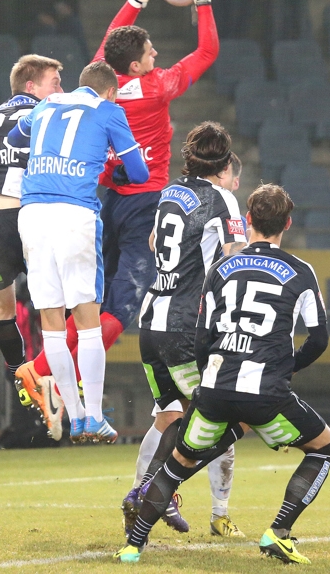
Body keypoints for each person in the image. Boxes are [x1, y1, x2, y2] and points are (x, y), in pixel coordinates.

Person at [17, 0, 219, 409]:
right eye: (150, 52)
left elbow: (109, 44)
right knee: (122, 305)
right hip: (145, 203)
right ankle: (63, 376)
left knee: (90, 298)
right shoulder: (160, 86)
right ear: (136, 67)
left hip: (104, 200)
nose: (157, 54)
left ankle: (39, 370)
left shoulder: (101, 88)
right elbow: (207, 52)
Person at [114, 183, 330, 565]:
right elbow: (319, 339)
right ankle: (278, 533)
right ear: (287, 223)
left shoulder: (219, 268)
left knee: (178, 463)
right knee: (324, 447)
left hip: (215, 386)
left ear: (248, 220)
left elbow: (202, 338)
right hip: (267, 392)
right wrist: (288, 365)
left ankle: (133, 547)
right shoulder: (300, 272)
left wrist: (210, 376)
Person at [7, 60, 149, 443]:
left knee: (51, 324)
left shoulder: (45, 105)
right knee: (87, 321)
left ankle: (74, 415)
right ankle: (95, 417)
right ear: (111, 91)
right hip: (75, 214)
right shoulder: (109, 111)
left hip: (32, 214)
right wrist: (112, 167)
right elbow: (139, 172)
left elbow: (14, 141)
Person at [121, 127, 247, 537]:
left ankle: (142, 494)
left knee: (169, 415)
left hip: (151, 320)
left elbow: (156, 239)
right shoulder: (222, 198)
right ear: (226, 165)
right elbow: (236, 257)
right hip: (185, 327)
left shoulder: (171, 194)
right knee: (212, 414)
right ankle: (154, 495)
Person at [0, 54, 65, 440]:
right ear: (32, 87)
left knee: (0, 309)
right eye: (55, 81)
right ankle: (54, 378)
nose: (59, 89)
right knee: (63, 302)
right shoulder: (44, 112)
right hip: (25, 220)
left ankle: (22, 377)